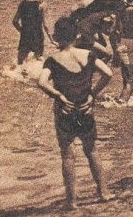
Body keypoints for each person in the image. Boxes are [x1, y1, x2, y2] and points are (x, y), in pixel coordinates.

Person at [37, 17, 114, 210]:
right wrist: (92, 95)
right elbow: (108, 74)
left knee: (67, 155)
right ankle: (103, 192)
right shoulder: (87, 54)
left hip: (65, 110)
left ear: (56, 37)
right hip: (85, 108)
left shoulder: (52, 60)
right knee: (92, 150)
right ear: (76, 35)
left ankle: (71, 201)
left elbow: (41, 82)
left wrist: (58, 96)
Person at [13, 0, 53, 65]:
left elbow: (15, 21)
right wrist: (52, 40)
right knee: (37, 61)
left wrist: (22, 31)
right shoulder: (42, 5)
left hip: (25, 35)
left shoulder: (23, 3)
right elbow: (45, 24)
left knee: (20, 62)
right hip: (37, 35)